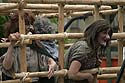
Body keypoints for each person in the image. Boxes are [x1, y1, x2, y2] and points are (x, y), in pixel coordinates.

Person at [0, 12, 58, 83]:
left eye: (29, 25)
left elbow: (46, 58)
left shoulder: (34, 43)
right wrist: (12, 45)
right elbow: (6, 66)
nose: (29, 28)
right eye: (26, 25)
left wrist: (52, 63)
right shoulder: (10, 44)